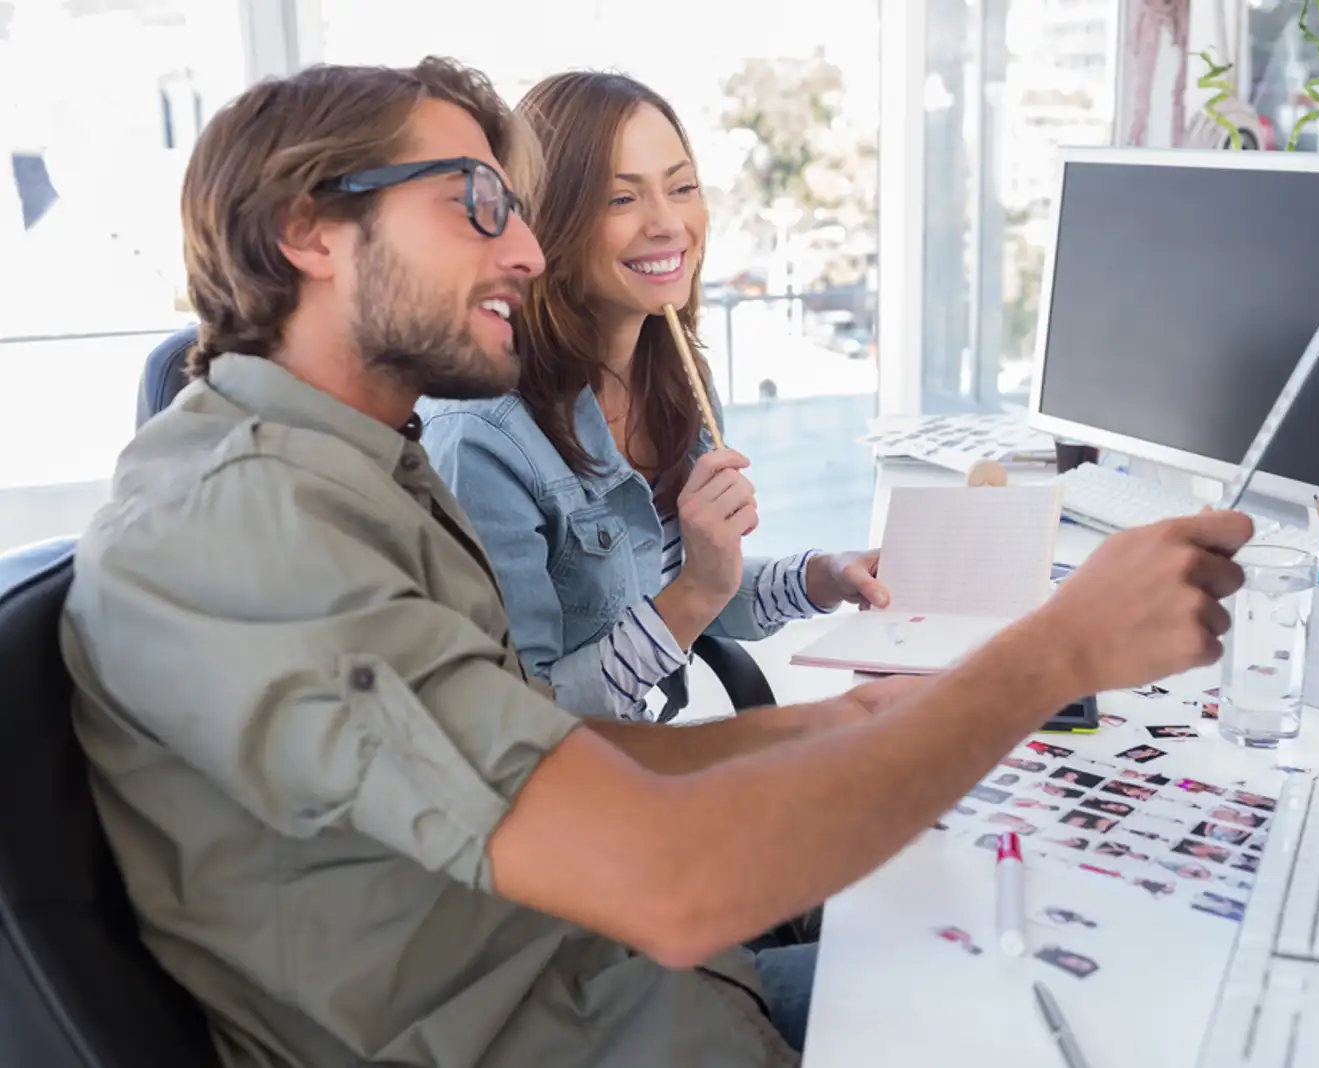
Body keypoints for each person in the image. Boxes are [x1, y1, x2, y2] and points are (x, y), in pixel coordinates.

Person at [59, 56, 1254, 1068]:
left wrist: (855, 721)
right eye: (480, 202)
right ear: (305, 231)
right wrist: (1054, 655)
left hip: (610, 985)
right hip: (572, 1023)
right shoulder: (251, 524)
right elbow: (671, 887)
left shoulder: (364, 464)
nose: (526, 251)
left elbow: (536, 745)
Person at [418, 70, 882, 722]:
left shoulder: (674, 372)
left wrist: (823, 577)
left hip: (647, 748)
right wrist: (696, 593)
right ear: (547, 220)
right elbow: (529, 716)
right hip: (567, 786)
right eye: (620, 199)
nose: (668, 224)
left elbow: (689, 588)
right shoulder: (480, 438)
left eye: (683, 187)